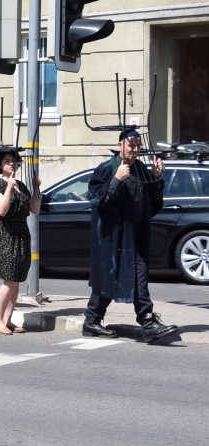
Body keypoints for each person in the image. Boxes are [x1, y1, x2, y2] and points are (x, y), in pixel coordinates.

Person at [82, 129, 178, 341]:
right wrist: (116, 180)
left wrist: (156, 177)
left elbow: (152, 201)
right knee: (108, 275)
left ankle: (146, 319)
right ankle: (93, 320)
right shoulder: (107, 169)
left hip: (135, 234)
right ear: (120, 146)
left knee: (138, 274)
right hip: (112, 234)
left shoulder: (141, 168)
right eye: (130, 145)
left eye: (137, 146)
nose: (135, 150)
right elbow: (98, 200)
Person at [0, 149, 41, 335]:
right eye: (7, 161)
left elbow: (35, 209)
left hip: (21, 233)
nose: (11, 164)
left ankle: (7, 320)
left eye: (14, 161)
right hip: (6, 234)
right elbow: (1, 210)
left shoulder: (21, 184)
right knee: (9, 278)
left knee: (17, 279)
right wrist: (9, 188)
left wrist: (36, 188)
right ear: (0, 165)